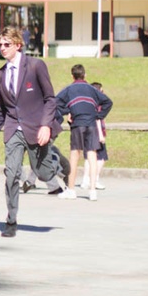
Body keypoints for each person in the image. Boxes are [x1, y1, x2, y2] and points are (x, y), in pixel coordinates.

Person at [0, 26, 67, 238]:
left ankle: (54, 162)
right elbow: (2, 108)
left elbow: (50, 99)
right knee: (11, 174)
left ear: (18, 45)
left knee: (43, 172)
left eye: (6, 44)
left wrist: (46, 125)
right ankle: (11, 219)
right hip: (13, 129)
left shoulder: (35, 66)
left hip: (37, 126)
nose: (2, 48)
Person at [54, 64, 113, 201]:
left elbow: (55, 101)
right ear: (85, 75)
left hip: (77, 124)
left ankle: (71, 189)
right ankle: (92, 191)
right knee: (92, 156)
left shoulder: (69, 89)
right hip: (91, 124)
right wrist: (98, 115)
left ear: (72, 76)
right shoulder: (92, 89)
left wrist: (68, 111)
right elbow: (108, 102)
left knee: (75, 156)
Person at [89, 82, 110, 189]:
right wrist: (101, 135)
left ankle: (89, 179)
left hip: (90, 131)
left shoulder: (90, 102)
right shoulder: (97, 104)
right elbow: (97, 119)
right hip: (97, 132)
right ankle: (94, 179)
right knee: (101, 158)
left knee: (91, 156)